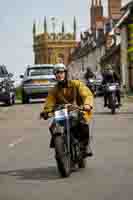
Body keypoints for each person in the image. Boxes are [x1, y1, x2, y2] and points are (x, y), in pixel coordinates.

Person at [41, 63, 94, 157]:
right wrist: (46, 111)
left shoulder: (76, 84)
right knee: (53, 126)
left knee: (82, 123)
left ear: (65, 73)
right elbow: (49, 101)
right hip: (62, 112)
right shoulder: (54, 90)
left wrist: (87, 105)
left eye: (61, 72)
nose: (59, 74)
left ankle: (85, 146)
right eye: (57, 73)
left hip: (77, 109)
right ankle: (59, 147)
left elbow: (86, 94)